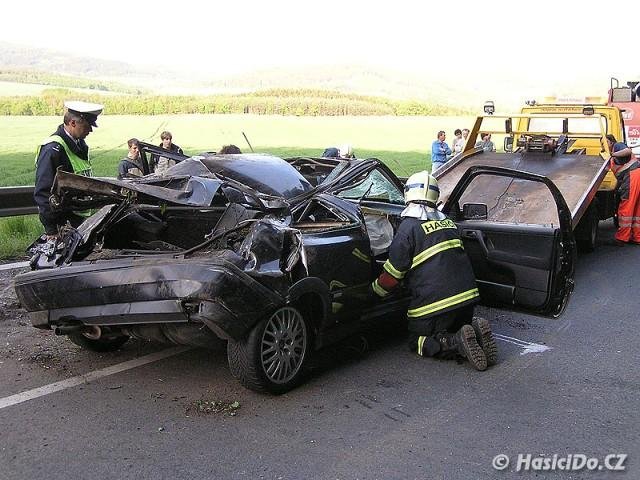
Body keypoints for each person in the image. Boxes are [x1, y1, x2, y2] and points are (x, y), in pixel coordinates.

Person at [371, 171, 497, 370]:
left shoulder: (407, 229)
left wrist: (373, 292)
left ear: (408, 194)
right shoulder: (448, 223)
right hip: (467, 301)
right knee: (455, 326)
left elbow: (393, 276)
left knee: (418, 341)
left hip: (435, 306)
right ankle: (471, 330)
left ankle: (455, 344)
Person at [34, 100, 103, 239]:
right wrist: (51, 229)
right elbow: (44, 191)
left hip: (78, 219)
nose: (90, 130)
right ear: (73, 123)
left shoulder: (79, 144)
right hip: (63, 223)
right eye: (88, 125)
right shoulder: (53, 149)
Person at [606, 135, 640, 244]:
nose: (604, 144)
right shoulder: (613, 154)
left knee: (626, 206)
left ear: (611, 142)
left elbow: (627, 151)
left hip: (632, 176)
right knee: (636, 209)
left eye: (606, 141)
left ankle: (622, 237)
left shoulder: (618, 146)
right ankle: (637, 236)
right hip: (634, 175)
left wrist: (612, 154)